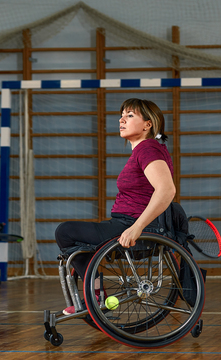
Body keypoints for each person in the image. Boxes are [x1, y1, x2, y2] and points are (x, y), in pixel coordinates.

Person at [54, 98, 176, 315]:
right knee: (75, 237)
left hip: (133, 225)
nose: (121, 119)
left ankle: (97, 296)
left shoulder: (148, 149)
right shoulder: (147, 149)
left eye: (130, 115)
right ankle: (97, 295)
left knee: (65, 231)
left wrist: (136, 227)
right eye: (122, 114)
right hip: (125, 222)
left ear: (148, 124)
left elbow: (166, 191)